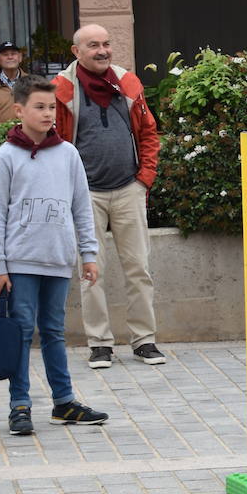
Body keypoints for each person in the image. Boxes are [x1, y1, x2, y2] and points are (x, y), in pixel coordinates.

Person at [0, 75, 109, 434]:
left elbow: (81, 207)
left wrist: (88, 254)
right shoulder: (6, 156)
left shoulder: (68, 154)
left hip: (58, 260)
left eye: (52, 107)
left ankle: (64, 402)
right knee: (21, 331)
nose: (47, 113)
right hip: (20, 262)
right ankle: (19, 404)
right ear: (19, 110)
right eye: (39, 107)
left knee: (54, 331)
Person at [54, 25, 166, 369]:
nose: (102, 50)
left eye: (106, 44)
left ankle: (144, 340)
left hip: (128, 189)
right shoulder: (62, 88)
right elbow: (55, 140)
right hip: (85, 194)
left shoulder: (127, 83)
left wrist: (144, 179)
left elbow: (149, 132)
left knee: (139, 269)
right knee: (91, 273)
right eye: (93, 45)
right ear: (76, 52)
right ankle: (99, 344)